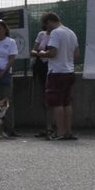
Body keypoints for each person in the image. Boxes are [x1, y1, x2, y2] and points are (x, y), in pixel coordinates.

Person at [34, 11, 80, 141]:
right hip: (70, 71)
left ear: (49, 22)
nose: (46, 29)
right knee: (67, 103)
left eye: (45, 25)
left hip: (56, 72)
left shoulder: (55, 32)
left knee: (57, 103)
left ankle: (59, 132)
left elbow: (53, 53)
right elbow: (76, 53)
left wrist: (41, 53)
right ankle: (68, 131)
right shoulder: (71, 32)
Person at [31, 22, 53, 138]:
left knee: (52, 98)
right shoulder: (41, 34)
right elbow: (33, 51)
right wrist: (41, 53)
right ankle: (48, 126)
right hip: (41, 67)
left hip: (53, 68)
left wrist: (46, 54)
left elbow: (54, 53)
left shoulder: (57, 35)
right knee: (44, 97)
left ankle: (54, 126)